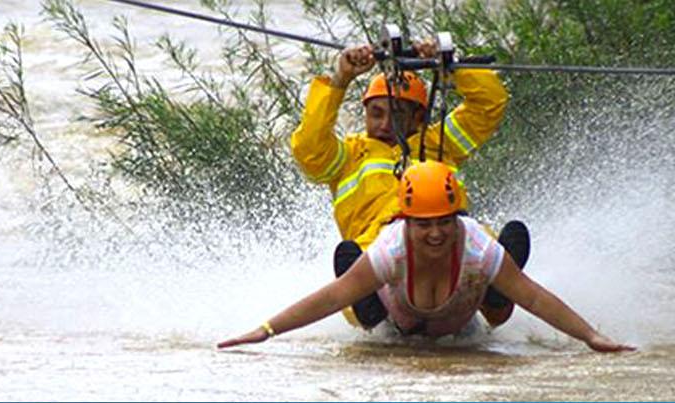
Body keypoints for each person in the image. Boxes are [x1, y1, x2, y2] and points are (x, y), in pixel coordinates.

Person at [218, 162, 635, 353]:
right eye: (423, 224)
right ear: (405, 221)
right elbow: (331, 297)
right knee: (351, 265)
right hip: (396, 329)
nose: (435, 233)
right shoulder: (390, 247)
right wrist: (266, 329)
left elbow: (537, 299)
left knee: (505, 260)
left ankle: (494, 295)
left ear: (458, 218)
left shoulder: (475, 245)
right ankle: (483, 293)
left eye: (444, 222)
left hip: (463, 331)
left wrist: (590, 336)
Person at [289, 41, 522, 330]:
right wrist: (340, 80)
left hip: (447, 235)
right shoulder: (347, 155)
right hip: (377, 244)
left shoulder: (440, 143)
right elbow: (308, 147)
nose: (385, 124)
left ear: (418, 117)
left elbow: (489, 103)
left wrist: (450, 64)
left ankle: (495, 293)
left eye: (397, 114)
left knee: (483, 239)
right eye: (376, 113)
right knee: (353, 261)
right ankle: (368, 305)